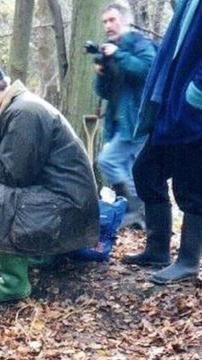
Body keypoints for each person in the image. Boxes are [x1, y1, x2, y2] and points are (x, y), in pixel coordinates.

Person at [0, 62, 100, 303]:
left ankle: (13, 282)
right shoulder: (21, 107)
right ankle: (38, 255)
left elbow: (14, 175)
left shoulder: (24, 112)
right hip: (66, 203)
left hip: (67, 208)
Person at [122, 0, 201, 284]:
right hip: (171, 105)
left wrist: (196, 95)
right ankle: (157, 249)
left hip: (193, 110)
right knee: (145, 170)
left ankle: (189, 260)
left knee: (191, 185)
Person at [93, 2, 156, 229]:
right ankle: (144, 219)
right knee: (132, 170)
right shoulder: (110, 49)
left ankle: (136, 210)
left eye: (112, 20)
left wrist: (118, 55)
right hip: (118, 122)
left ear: (125, 20)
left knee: (107, 160)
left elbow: (147, 71)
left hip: (138, 120)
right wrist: (101, 74)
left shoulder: (140, 43)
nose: (108, 25)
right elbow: (103, 92)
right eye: (105, 22)